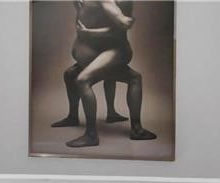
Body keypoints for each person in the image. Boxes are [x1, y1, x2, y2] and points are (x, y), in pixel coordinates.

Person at [50, 0, 157, 148]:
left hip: (116, 50)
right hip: (99, 51)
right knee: (70, 74)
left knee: (83, 79)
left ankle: (95, 135)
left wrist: (88, 33)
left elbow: (120, 28)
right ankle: (76, 117)